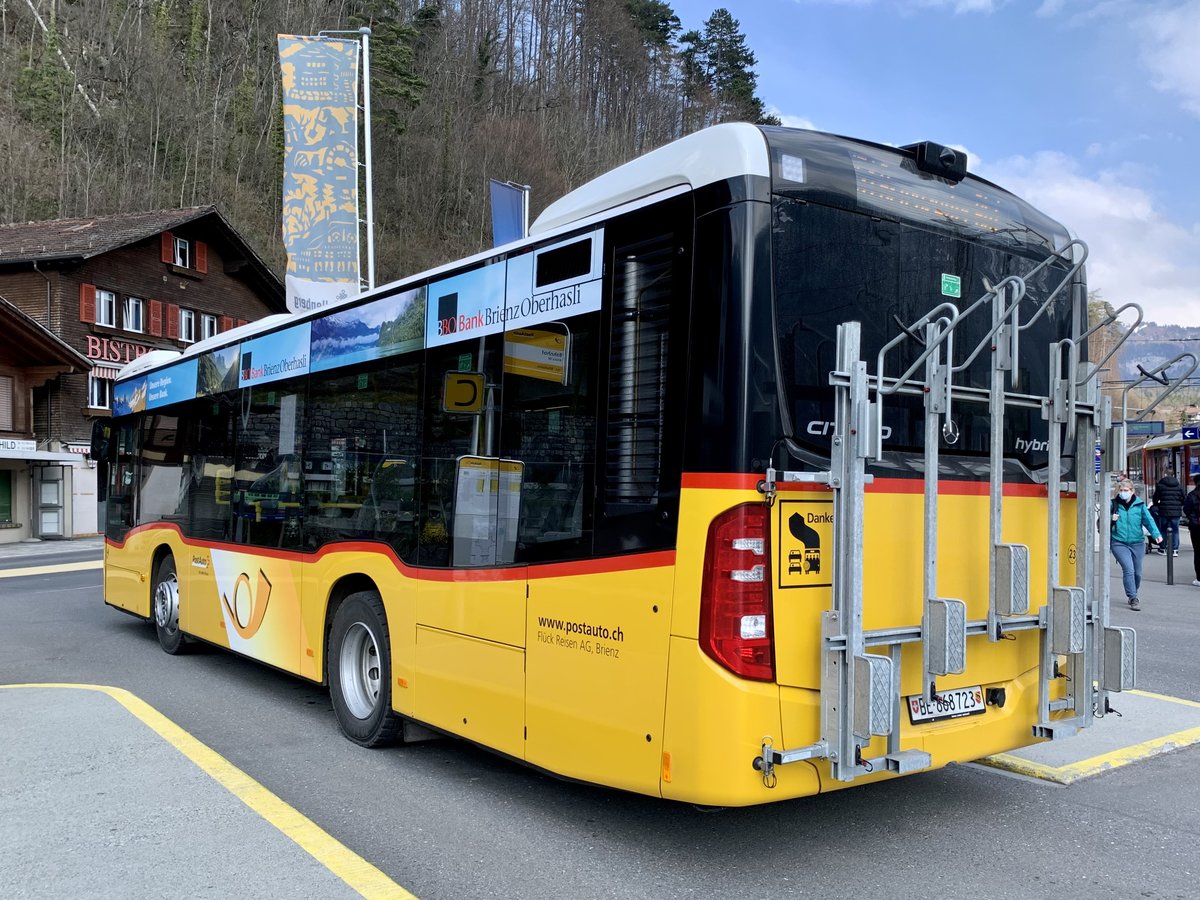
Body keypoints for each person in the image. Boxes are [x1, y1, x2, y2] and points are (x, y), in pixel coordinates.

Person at [1110, 478, 1162, 611]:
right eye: (1121, 490)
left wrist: (1156, 535)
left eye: (1126, 490)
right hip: (1119, 542)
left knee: (1137, 573)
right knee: (1129, 569)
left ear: (1132, 491)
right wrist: (1111, 519)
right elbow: (1102, 520)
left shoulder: (1139, 505)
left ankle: (1133, 590)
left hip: (1137, 542)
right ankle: (1133, 597)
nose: (1123, 493)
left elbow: (1148, 521)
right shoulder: (1113, 504)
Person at [1153, 467, 1187, 556]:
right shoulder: (1179, 486)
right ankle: (1175, 550)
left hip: (1163, 511)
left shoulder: (1160, 486)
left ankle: (1163, 548)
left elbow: (1155, 498)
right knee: (1175, 530)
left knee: (1163, 530)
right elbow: (1183, 499)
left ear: (1164, 474)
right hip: (1176, 512)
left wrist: (1157, 505)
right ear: (1173, 475)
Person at [1185, 473, 1200, 587]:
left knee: (1198, 552)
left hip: (1196, 527)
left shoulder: (1192, 495)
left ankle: (1199, 578)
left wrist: (1192, 517)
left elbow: (1186, 509)